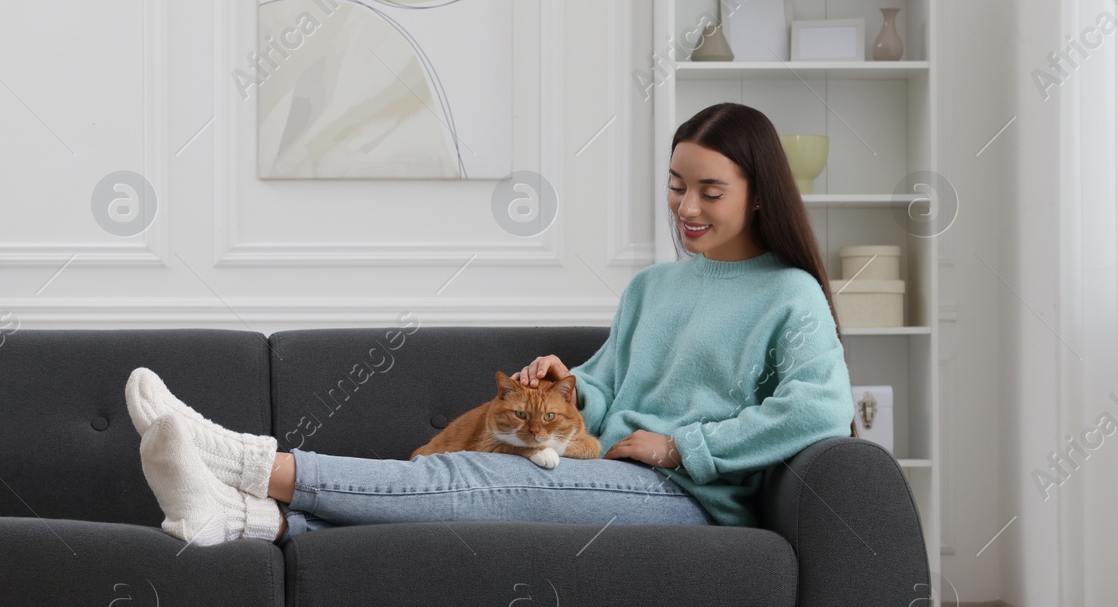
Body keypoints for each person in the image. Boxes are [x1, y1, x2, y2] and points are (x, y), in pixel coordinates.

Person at [127, 102, 857, 547]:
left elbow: (819, 407)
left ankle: (242, 462)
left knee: (472, 476)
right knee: (471, 491)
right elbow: (609, 386)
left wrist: (681, 446)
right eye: (675, 184)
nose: (686, 206)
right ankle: (241, 519)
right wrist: (572, 386)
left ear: (760, 196)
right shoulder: (655, 285)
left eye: (710, 190)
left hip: (684, 499)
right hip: (604, 465)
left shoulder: (789, 295)